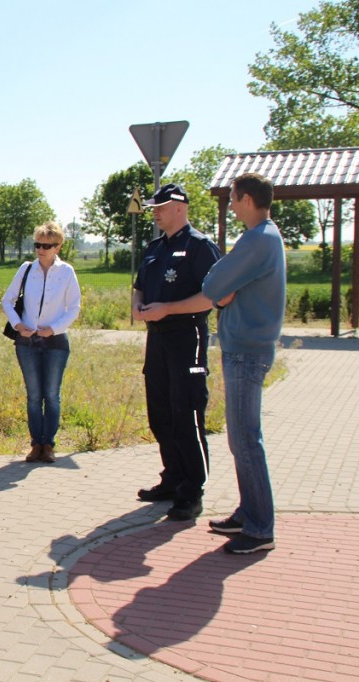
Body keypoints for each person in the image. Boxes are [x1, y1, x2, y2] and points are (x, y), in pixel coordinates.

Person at [202, 172, 285, 555]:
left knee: (246, 440)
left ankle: (259, 527)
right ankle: (248, 512)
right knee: (242, 438)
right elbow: (221, 288)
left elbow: (212, 283)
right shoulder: (265, 236)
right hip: (247, 346)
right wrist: (222, 295)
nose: (231, 205)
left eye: (233, 198)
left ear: (248, 199)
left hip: (246, 350)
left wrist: (220, 294)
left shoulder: (257, 240)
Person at [133, 183, 222, 521]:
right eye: (154, 207)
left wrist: (168, 309)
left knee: (186, 413)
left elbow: (213, 296)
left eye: (162, 207)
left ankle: (191, 490)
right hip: (157, 339)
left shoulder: (200, 247)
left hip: (187, 337)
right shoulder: (155, 247)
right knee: (161, 413)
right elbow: (139, 287)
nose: (155, 212)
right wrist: (140, 306)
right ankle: (172, 478)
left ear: (181, 208)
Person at [1, 223, 82, 463]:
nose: (41, 249)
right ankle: (36, 443)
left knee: (52, 395)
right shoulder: (26, 269)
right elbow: (8, 300)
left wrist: (54, 329)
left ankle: (49, 444)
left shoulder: (66, 272)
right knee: (34, 395)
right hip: (27, 342)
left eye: (46, 245)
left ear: (58, 247)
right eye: (37, 244)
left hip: (56, 342)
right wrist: (18, 325)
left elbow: (74, 308)